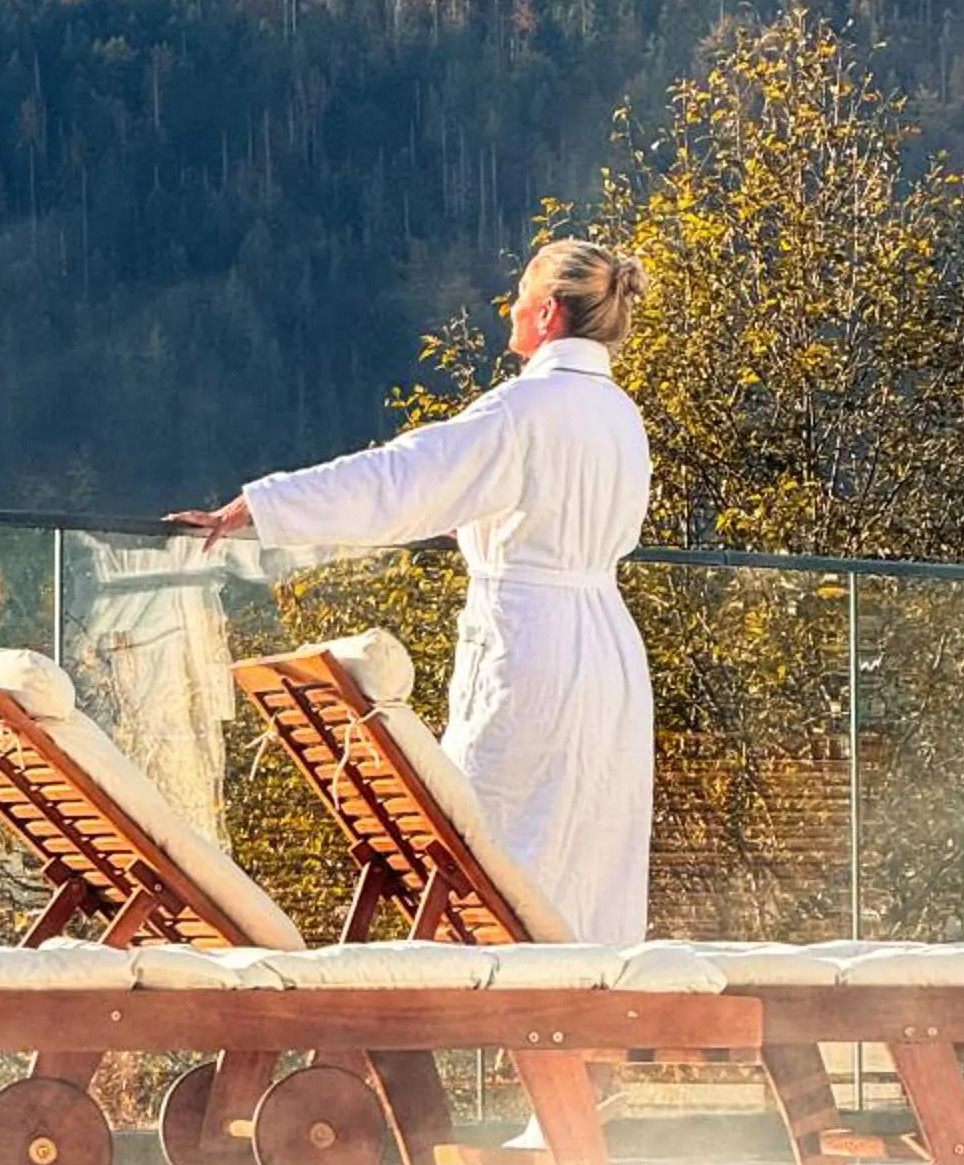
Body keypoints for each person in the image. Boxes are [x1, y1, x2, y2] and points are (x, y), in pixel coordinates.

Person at [168, 237, 653, 944]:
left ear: (547, 313)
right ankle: (583, 1030)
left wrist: (264, 507)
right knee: (589, 855)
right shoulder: (620, 417)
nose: (509, 307)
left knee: (492, 850)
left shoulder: (524, 409)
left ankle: (496, 1018)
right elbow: (588, 523)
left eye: (519, 293)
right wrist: (493, 527)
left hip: (532, 647)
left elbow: (401, 481)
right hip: (609, 651)